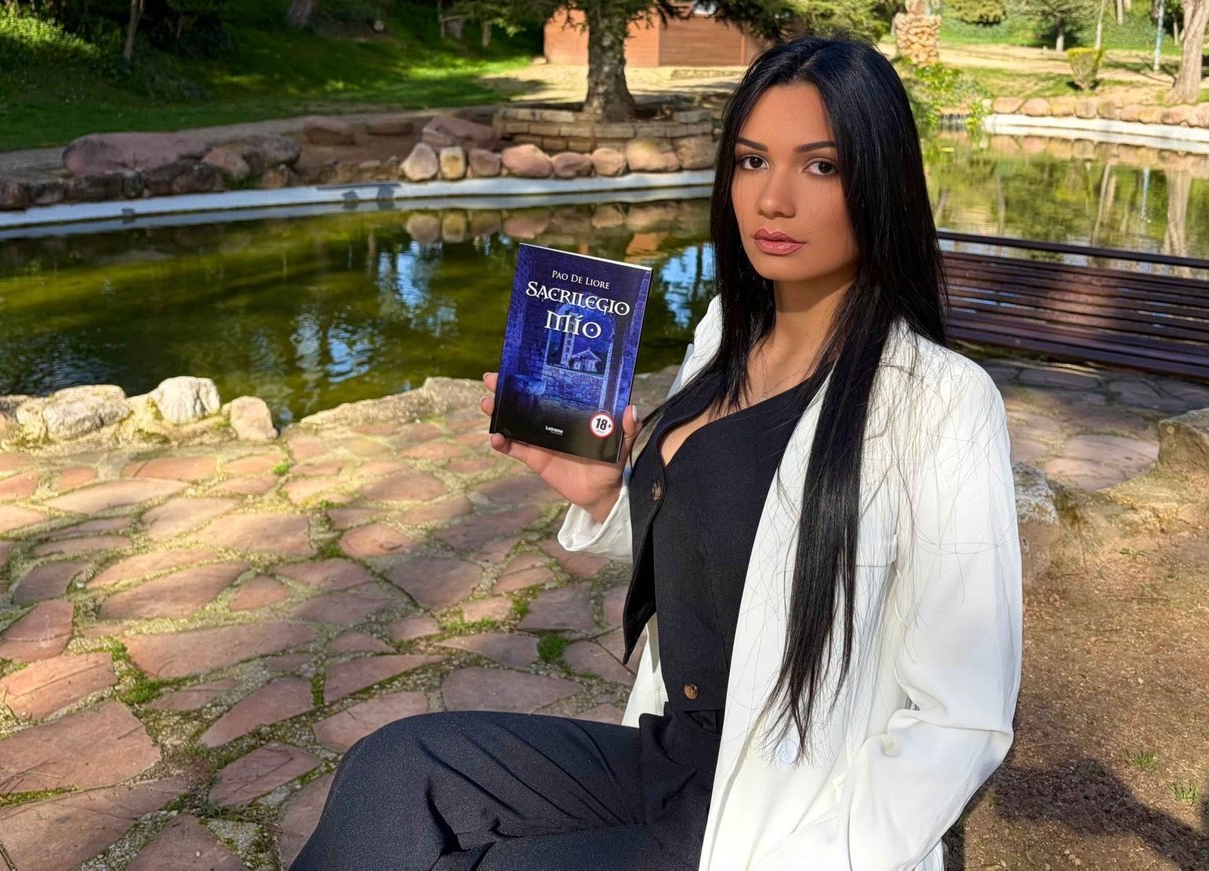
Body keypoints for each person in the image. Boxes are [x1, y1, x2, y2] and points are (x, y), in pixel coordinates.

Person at [291, 32, 1022, 871]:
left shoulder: (939, 402)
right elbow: (728, 548)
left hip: (790, 813)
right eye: (751, 160)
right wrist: (608, 497)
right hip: (673, 757)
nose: (772, 199)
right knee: (395, 769)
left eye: (820, 166)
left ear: (881, 180)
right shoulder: (725, 332)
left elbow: (960, 718)